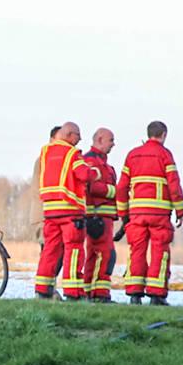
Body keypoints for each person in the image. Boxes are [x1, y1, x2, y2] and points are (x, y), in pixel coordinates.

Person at [115, 120, 183, 304]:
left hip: (137, 214)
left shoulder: (132, 155)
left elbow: (122, 187)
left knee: (136, 251)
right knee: (159, 252)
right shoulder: (165, 155)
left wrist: (123, 214)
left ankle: (134, 295)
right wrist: (180, 210)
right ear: (164, 135)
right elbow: (174, 185)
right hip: (159, 214)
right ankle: (156, 296)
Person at [33, 121, 97, 299]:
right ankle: (73, 292)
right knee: (74, 250)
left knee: (50, 251)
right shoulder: (72, 153)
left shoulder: (45, 152)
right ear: (69, 135)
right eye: (78, 135)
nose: (80, 139)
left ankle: (42, 290)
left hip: (50, 211)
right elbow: (83, 174)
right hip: (70, 211)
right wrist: (95, 173)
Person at [78, 127, 118, 302]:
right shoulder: (90, 161)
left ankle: (92, 292)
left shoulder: (102, 163)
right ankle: (99, 294)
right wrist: (115, 191)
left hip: (103, 217)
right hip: (97, 217)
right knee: (104, 254)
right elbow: (93, 187)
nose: (113, 144)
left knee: (97, 255)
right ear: (100, 139)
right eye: (111, 140)